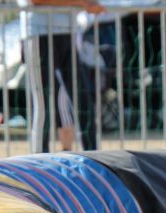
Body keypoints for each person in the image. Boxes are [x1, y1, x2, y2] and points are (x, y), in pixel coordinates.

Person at [17, 0, 103, 153]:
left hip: (68, 32)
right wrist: (83, 3)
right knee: (42, 102)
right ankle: (39, 158)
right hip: (38, 33)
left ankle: (93, 155)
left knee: (82, 98)